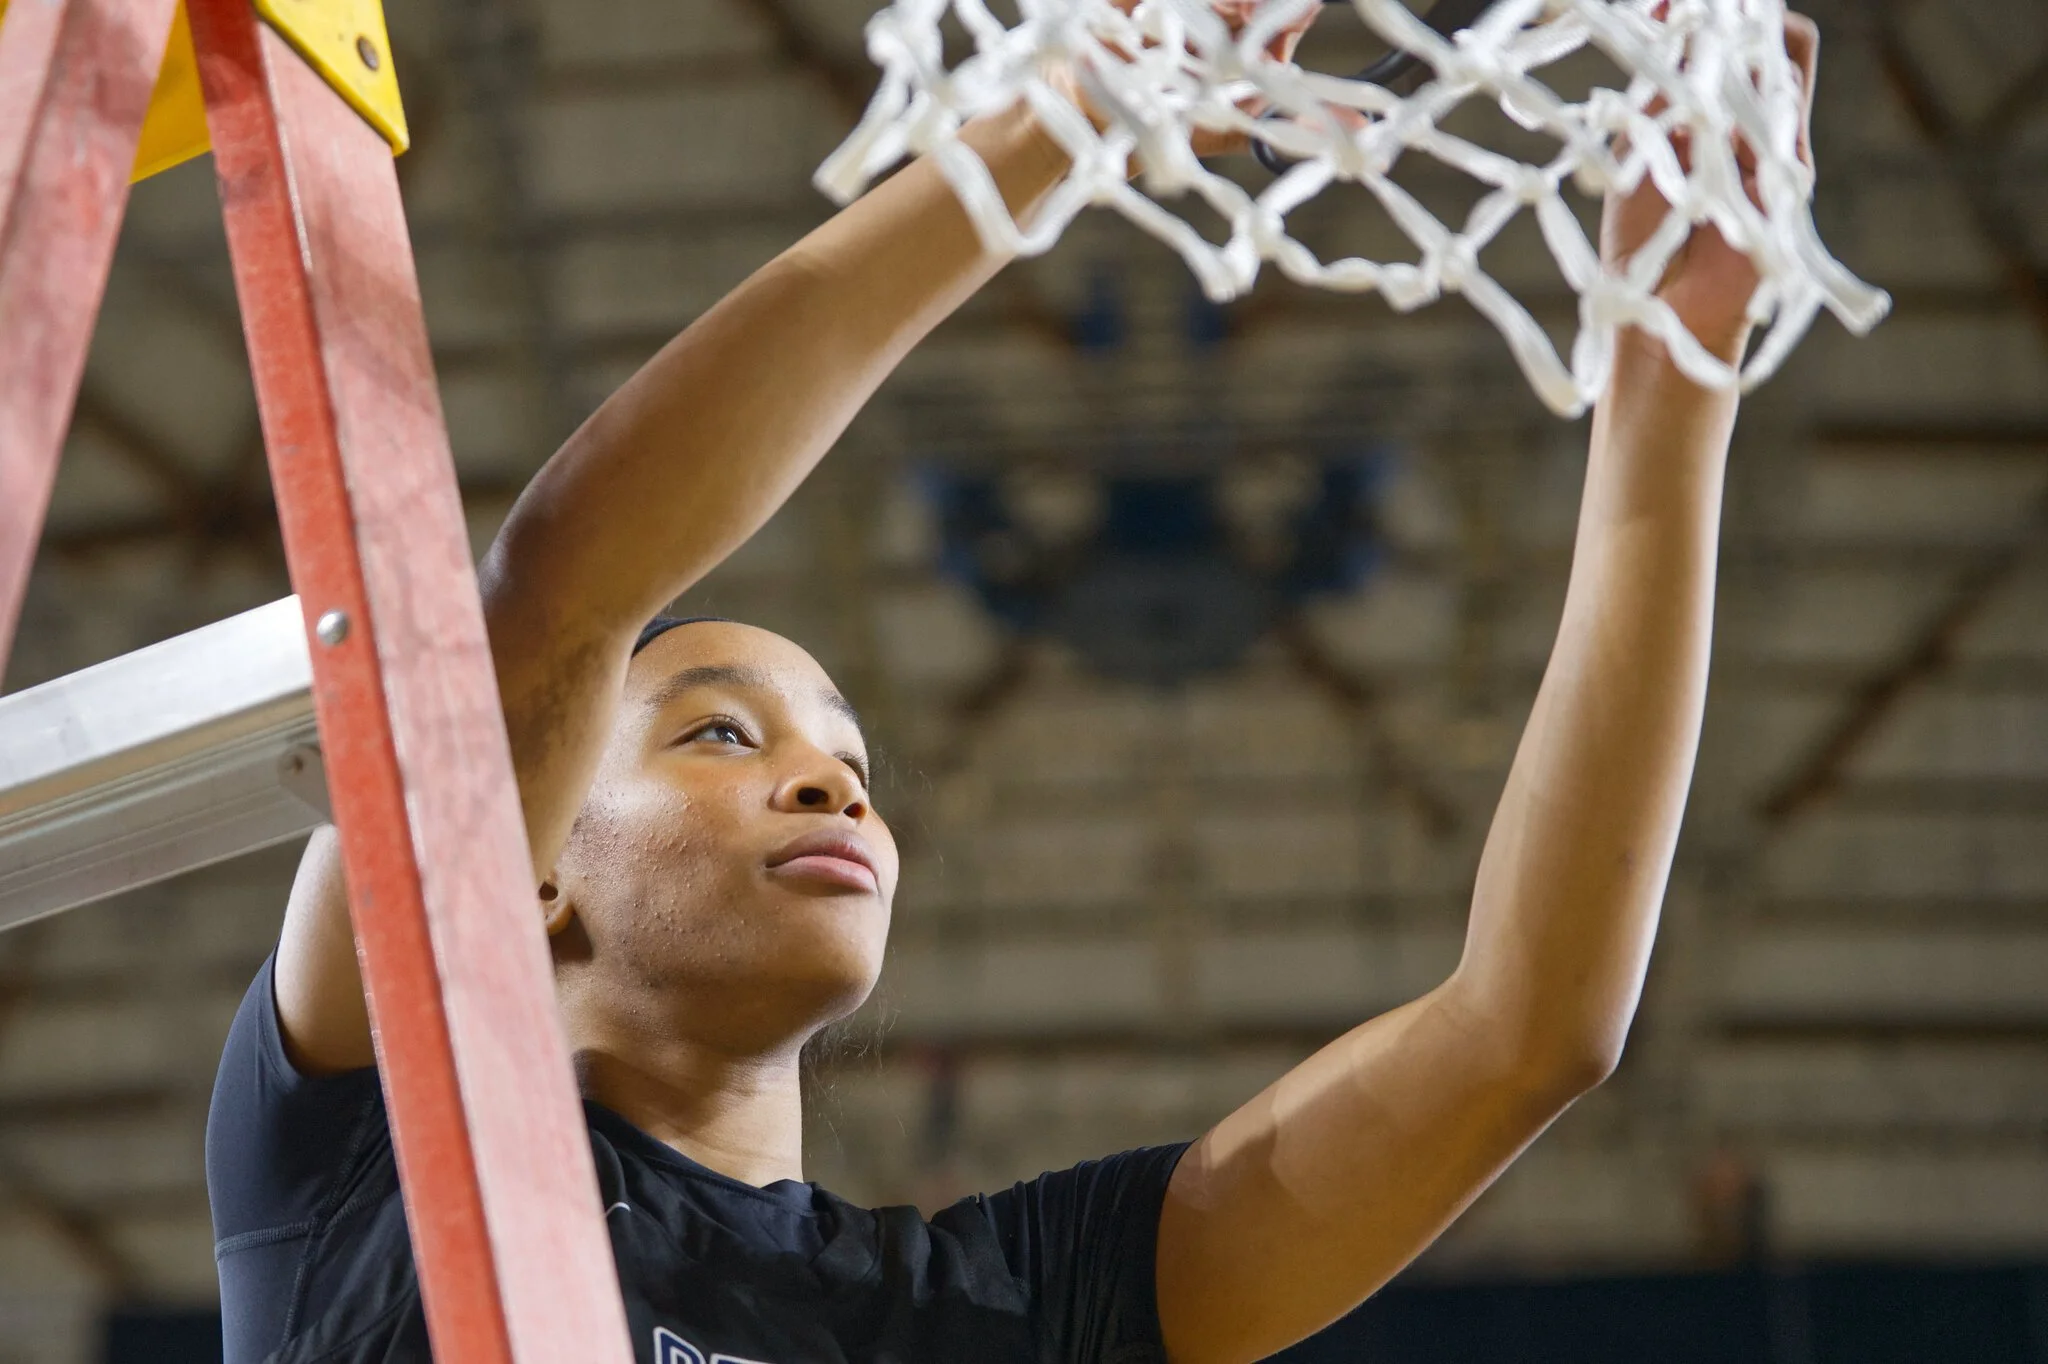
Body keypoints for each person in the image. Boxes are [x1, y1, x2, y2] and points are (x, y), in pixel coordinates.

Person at [206, 12, 1823, 1363]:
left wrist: (1671, 399)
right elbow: (560, 588)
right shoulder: (375, 1147)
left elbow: (1527, 1032)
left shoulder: (996, 1313)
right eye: (718, 731)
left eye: (853, 762)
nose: (835, 785)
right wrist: (1072, 113)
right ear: (539, 870)